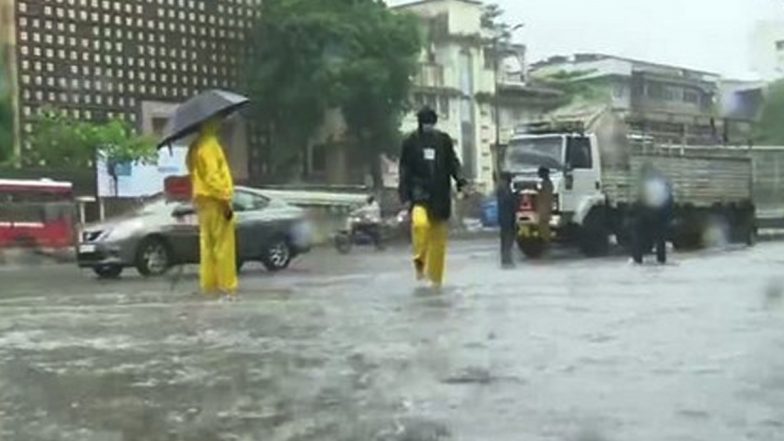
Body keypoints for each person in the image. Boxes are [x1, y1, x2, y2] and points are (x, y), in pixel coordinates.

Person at [399, 107, 467, 289]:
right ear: (420, 122)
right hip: (419, 195)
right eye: (425, 122)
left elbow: (453, 162)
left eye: (431, 122)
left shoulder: (443, 141)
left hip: (440, 196)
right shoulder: (410, 142)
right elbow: (404, 170)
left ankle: (436, 282)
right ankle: (419, 260)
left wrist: (460, 180)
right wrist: (404, 194)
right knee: (421, 225)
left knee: (439, 244)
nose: (428, 125)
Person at [186, 118, 238, 297]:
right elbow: (213, 177)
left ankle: (209, 285)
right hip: (215, 200)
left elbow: (193, 172)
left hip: (202, 202)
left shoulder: (195, 146)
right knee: (223, 246)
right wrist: (225, 199)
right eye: (216, 121)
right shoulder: (210, 145)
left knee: (207, 246)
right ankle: (226, 285)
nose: (219, 124)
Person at [631, 164, 673, 264]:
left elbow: (640, 202)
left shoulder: (645, 185)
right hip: (658, 217)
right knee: (660, 240)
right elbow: (668, 201)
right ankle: (661, 259)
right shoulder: (662, 185)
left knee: (638, 239)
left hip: (647, 217)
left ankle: (638, 260)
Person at [537, 166, 554, 243]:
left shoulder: (546, 183)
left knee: (544, 225)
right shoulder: (546, 183)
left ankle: (546, 241)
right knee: (543, 225)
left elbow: (545, 196)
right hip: (544, 207)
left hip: (544, 207)